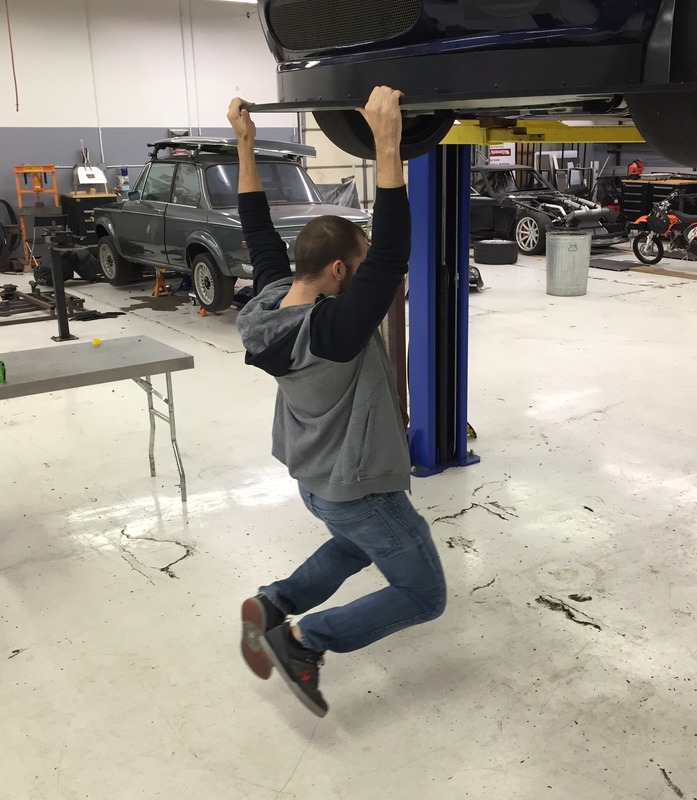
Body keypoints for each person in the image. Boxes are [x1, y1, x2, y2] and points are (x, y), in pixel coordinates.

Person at [229, 87, 446, 718]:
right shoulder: (333, 332)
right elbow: (392, 254)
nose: (365, 272)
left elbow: (257, 229)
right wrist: (386, 141)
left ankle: (274, 603)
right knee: (423, 593)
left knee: (357, 545)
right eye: (358, 265)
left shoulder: (271, 301)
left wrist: (246, 145)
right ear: (338, 272)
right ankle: (303, 641)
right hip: (358, 487)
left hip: (318, 480)